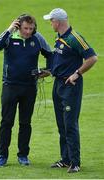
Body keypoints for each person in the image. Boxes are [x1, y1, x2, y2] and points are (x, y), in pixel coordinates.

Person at [0, 14, 52, 167]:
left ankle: (23, 155)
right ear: (19, 26)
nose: (28, 32)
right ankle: (2, 156)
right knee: (6, 122)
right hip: (10, 86)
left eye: (31, 29)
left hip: (30, 87)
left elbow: (51, 55)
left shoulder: (37, 38)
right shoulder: (9, 36)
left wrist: (48, 71)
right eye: (25, 28)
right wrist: (9, 29)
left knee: (25, 123)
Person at [43, 8, 97, 173]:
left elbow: (92, 57)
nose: (50, 23)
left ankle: (75, 162)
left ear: (57, 22)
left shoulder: (75, 38)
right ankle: (65, 159)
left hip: (70, 87)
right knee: (61, 124)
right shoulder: (60, 37)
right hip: (58, 84)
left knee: (70, 124)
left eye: (51, 20)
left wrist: (77, 73)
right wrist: (46, 71)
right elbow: (61, 61)